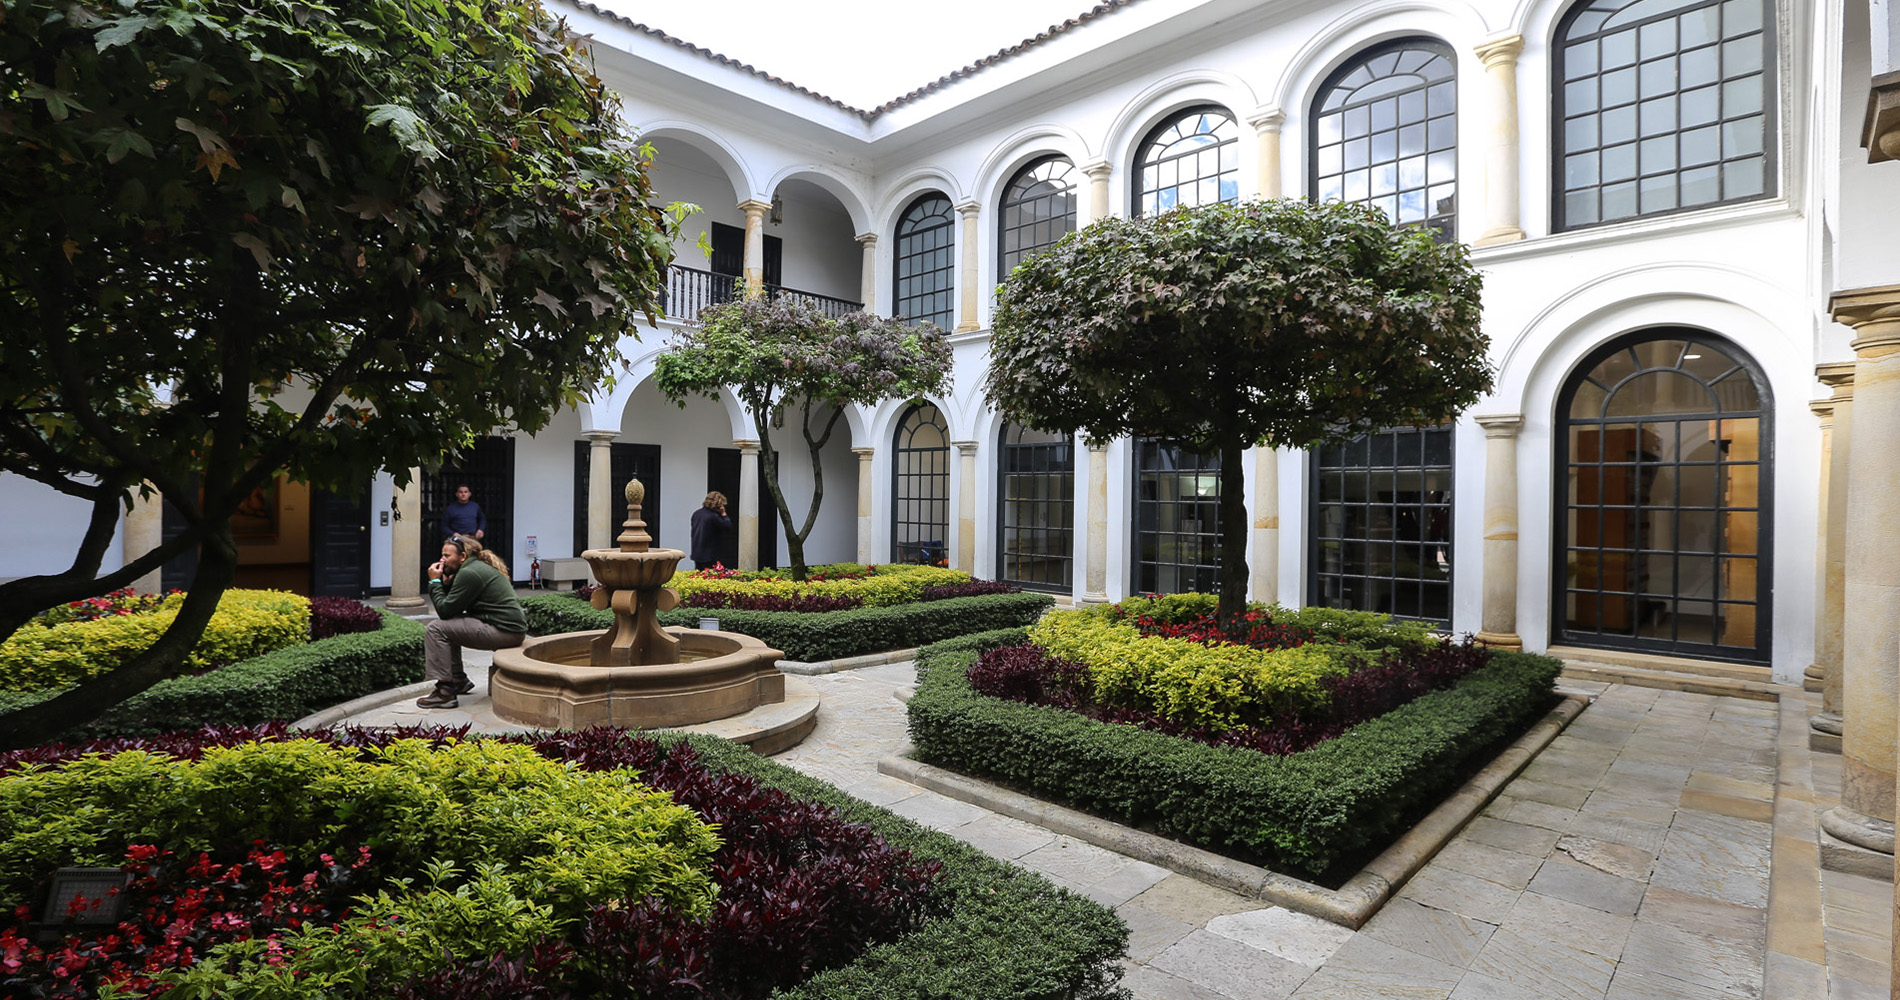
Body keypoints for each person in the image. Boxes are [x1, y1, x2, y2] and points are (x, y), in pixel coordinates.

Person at [417, 534, 526, 708]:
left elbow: (444, 611)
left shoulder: (470, 573)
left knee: (435, 629)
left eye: (447, 556)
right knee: (448, 626)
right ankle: (458, 680)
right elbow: (453, 609)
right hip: (505, 629)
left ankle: (445, 692)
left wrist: (435, 582)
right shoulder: (472, 568)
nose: (442, 560)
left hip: (503, 632)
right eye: (442, 555)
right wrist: (445, 585)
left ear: (462, 557)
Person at [689, 491, 733, 570]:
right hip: (710, 555)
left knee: (699, 575)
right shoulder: (713, 517)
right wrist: (724, 514)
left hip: (697, 552)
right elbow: (727, 525)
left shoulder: (696, 514)